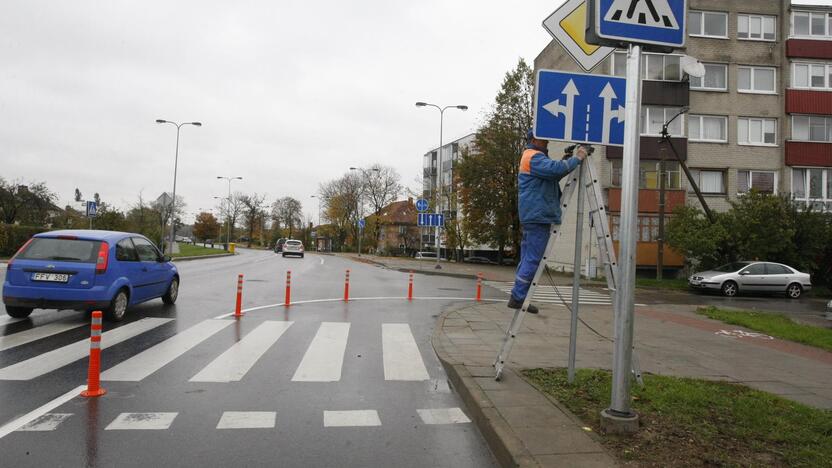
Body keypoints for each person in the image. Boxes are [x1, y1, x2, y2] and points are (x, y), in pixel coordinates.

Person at [508, 130, 586, 314]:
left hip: (533, 214)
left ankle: (518, 295)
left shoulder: (532, 157)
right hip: (538, 214)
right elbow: (555, 170)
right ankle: (518, 297)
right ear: (535, 139)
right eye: (544, 137)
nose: (548, 140)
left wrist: (566, 157)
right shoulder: (533, 157)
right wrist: (578, 158)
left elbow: (551, 174)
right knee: (533, 258)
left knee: (528, 257)